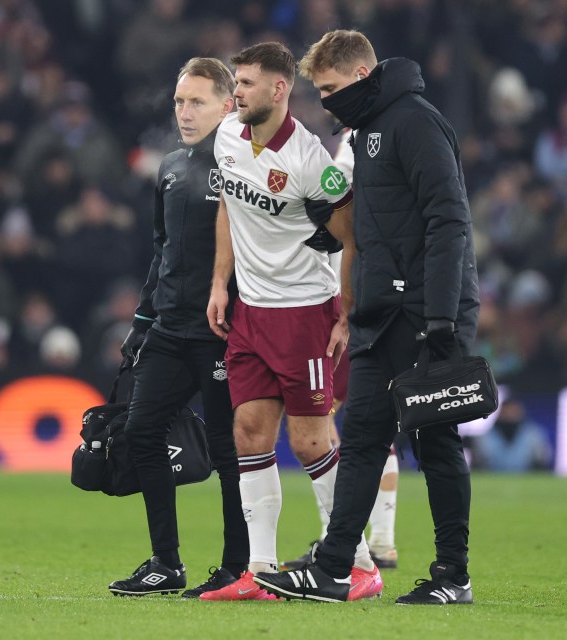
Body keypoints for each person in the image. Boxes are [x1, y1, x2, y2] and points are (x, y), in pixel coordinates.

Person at [254, 29, 480, 605]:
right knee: (360, 440)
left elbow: (449, 221)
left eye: (329, 89)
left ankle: (453, 576)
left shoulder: (415, 122)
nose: (325, 101)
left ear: (359, 76)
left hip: (425, 312)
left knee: (435, 442)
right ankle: (333, 568)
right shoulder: (371, 129)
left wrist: (442, 320)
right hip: (381, 311)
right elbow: (373, 232)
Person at [201, 42, 382, 602]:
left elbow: (351, 239)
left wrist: (344, 312)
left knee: (308, 442)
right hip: (250, 312)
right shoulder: (228, 135)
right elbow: (228, 206)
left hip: (305, 312)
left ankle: (359, 563)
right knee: (249, 434)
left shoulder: (313, 163)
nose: (236, 92)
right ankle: (259, 573)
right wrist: (219, 284)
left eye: (248, 83)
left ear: (279, 90)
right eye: (236, 82)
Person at [107, 57, 249, 598]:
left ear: (227, 104)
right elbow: (162, 253)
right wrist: (142, 323)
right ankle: (166, 562)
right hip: (170, 328)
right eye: (179, 103)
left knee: (227, 450)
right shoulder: (168, 168)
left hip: (221, 330)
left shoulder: (246, 168)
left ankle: (238, 564)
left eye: (197, 102)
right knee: (141, 433)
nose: (184, 113)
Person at [281, 128, 399, 573]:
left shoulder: (342, 164)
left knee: (320, 428)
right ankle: (382, 540)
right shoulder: (389, 171)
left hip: (335, 311)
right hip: (375, 305)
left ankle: (338, 538)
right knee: (374, 429)